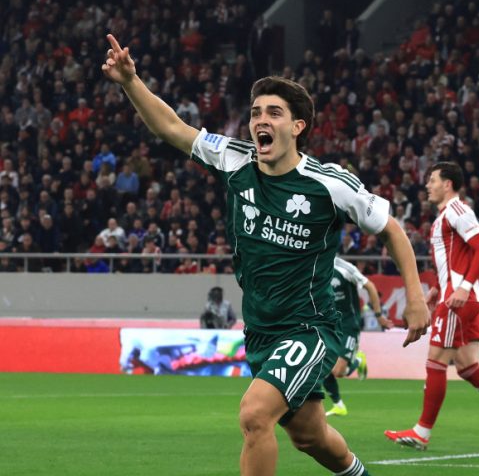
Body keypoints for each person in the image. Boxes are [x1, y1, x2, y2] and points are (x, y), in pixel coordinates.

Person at [102, 34, 429, 476]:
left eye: (274, 112)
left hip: (310, 328)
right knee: (310, 435)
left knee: (255, 415)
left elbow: (391, 229)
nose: (261, 119)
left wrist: (415, 298)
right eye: (256, 112)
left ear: (297, 127)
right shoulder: (235, 160)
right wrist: (130, 82)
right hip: (260, 329)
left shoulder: (329, 184)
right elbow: (173, 128)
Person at [385, 162, 479, 452]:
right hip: (454, 295)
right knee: (467, 367)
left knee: (435, 362)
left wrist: (463, 287)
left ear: (448, 184)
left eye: (432, 180)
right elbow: (454, 262)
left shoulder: (457, 210)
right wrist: (435, 290)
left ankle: (421, 433)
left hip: (458, 299)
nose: (427, 185)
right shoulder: (445, 216)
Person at [324, 256, 393, 417]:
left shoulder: (344, 268)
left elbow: (370, 286)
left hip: (348, 325)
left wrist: (378, 315)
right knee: (322, 367)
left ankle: (358, 360)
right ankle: (338, 405)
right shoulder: (314, 267)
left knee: (338, 371)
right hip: (328, 326)